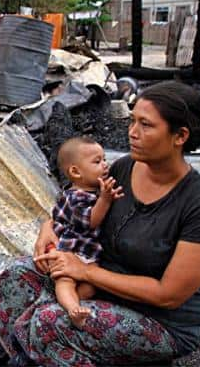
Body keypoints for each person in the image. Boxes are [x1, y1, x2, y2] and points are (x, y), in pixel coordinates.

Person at [0, 81, 200, 366]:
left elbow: (167, 295)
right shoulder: (123, 169)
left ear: (179, 136)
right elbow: (76, 207)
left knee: (50, 321)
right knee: (18, 277)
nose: (132, 132)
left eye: (146, 125)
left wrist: (84, 271)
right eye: (132, 120)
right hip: (106, 286)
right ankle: (30, 355)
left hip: (162, 321)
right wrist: (48, 228)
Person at [50, 137, 124, 329]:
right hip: (71, 253)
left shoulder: (95, 192)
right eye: (97, 162)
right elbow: (91, 221)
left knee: (91, 288)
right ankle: (72, 308)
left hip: (90, 257)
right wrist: (106, 200)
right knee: (64, 281)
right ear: (75, 171)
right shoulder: (75, 197)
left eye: (105, 159)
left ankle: (69, 306)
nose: (105, 165)